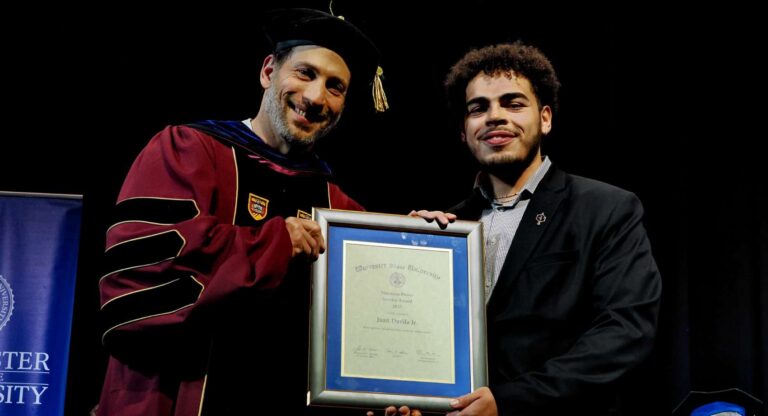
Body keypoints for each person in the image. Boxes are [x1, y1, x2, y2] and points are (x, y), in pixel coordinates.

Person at [95, 8, 385, 416]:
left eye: (335, 87)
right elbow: (141, 277)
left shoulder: (338, 207)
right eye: (305, 73)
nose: (316, 97)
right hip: (174, 398)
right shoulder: (188, 151)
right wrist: (275, 242)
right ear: (269, 71)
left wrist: (419, 238)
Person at [388, 41, 662, 416]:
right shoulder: (445, 228)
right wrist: (406, 253)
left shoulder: (605, 208)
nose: (494, 117)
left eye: (513, 104)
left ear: (545, 119)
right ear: (464, 132)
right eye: (478, 108)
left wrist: (508, 401)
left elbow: (625, 332)